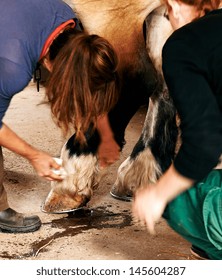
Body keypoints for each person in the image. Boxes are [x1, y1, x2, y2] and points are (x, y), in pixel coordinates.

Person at [0, 0, 120, 233]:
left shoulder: (65, 17)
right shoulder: (13, 66)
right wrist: (33, 155)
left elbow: (91, 82)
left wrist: (105, 135)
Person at [132, 0, 222, 259]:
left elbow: (204, 143)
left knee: (174, 198)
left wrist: (158, 195)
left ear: (172, 4)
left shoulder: (183, 44)